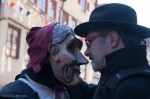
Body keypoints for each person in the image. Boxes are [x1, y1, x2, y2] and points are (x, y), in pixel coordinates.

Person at [74, 3, 150, 99]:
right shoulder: (123, 79)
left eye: (89, 42)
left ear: (112, 39)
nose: (86, 52)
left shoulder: (129, 88)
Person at [0, 22, 95, 99]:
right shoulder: (12, 95)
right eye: (71, 48)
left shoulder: (74, 90)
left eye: (78, 49)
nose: (84, 60)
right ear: (53, 52)